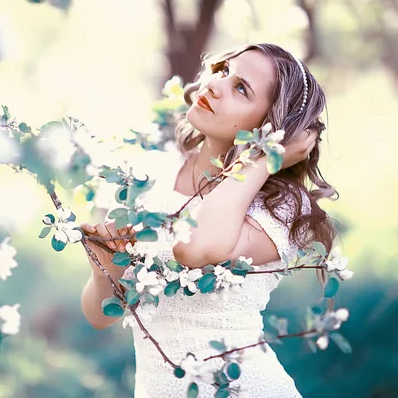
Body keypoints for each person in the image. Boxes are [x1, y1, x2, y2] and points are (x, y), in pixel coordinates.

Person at [80, 43, 339, 397]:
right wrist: (105, 272)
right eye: (221, 70)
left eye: (241, 88)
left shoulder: (282, 206)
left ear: (271, 126)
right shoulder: (145, 173)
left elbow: (195, 248)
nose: (216, 85)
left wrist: (265, 159)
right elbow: (99, 316)